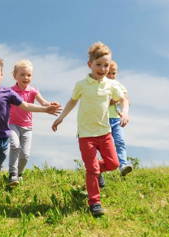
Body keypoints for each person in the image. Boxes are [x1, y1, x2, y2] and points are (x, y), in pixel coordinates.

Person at [0, 56, 61, 205]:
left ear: (2, 75)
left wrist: (45, 109)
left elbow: (26, 106)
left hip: (3, 136)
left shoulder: (8, 93)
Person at [52, 42, 129, 217]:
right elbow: (72, 101)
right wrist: (61, 117)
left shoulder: (111, 85)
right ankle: (94, 202)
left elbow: (123, 99)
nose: (102, 69)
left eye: (106, 65)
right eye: (99, 65)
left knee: (113, 164)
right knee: (91, 169)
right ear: (90, 65)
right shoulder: (82, 84)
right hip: (86, 135)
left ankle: (96, 170)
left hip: (105, 133)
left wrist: (124, 113)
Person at [8, 59, 59, 186]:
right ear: (15, 76)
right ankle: (12, 174)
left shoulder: (33, 91)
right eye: (22, 74)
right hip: (11, 124)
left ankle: (19, 174)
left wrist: (51, 104)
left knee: (25, 154)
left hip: (27, 127)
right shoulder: (10, 91)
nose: (26, 77)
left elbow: (44, 103)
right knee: (15, 145)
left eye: (29, 75)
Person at [98, 60, 131, 187]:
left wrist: (124, 112)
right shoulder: (100, 85)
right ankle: (100, 169)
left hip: (116, 119)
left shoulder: (118, 85)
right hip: (103, 120)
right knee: (105, 147)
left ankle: (123, 165)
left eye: (114, 73)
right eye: (109, 74)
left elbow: (126, 99)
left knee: (120, 141)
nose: (111, 76)